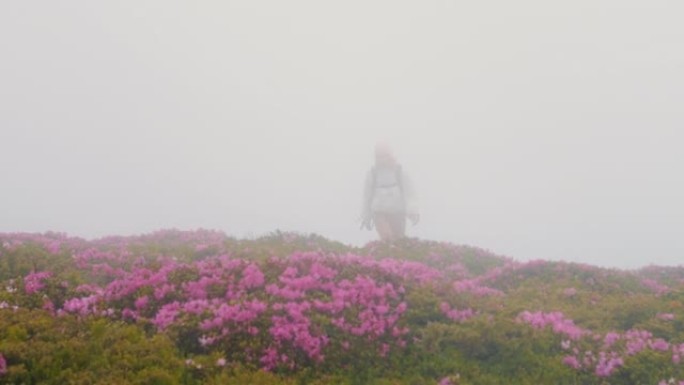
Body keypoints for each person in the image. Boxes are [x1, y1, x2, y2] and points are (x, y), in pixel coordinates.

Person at [360, 143, 419, 241]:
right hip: (379, 212)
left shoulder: (400, 172)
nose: (382, 159)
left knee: (399, 240)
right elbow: (367, 196)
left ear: (390, 155)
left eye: (384, 155)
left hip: (398, 211)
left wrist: (413, 210)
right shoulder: (372, 174)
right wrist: (366, 216)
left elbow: (410, 193)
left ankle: (394, 255)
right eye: (378, 156)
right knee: (387, 238)